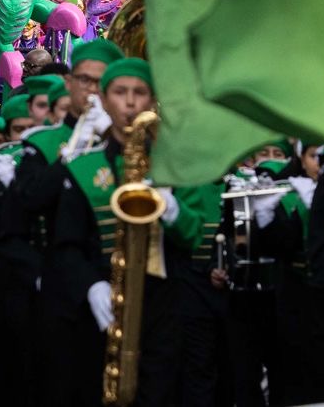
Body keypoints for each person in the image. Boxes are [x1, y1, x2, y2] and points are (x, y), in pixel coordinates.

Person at [50, 57, 225, 407]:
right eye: (120, 92)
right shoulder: (84, 167)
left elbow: (195, 238)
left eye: (139, 93)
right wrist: (92, 286)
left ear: (151, 101)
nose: (129, 102)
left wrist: (171, 207)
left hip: (164, 302)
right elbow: (66, 245)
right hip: (102, 302)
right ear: (104, 98)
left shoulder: (174, 168)